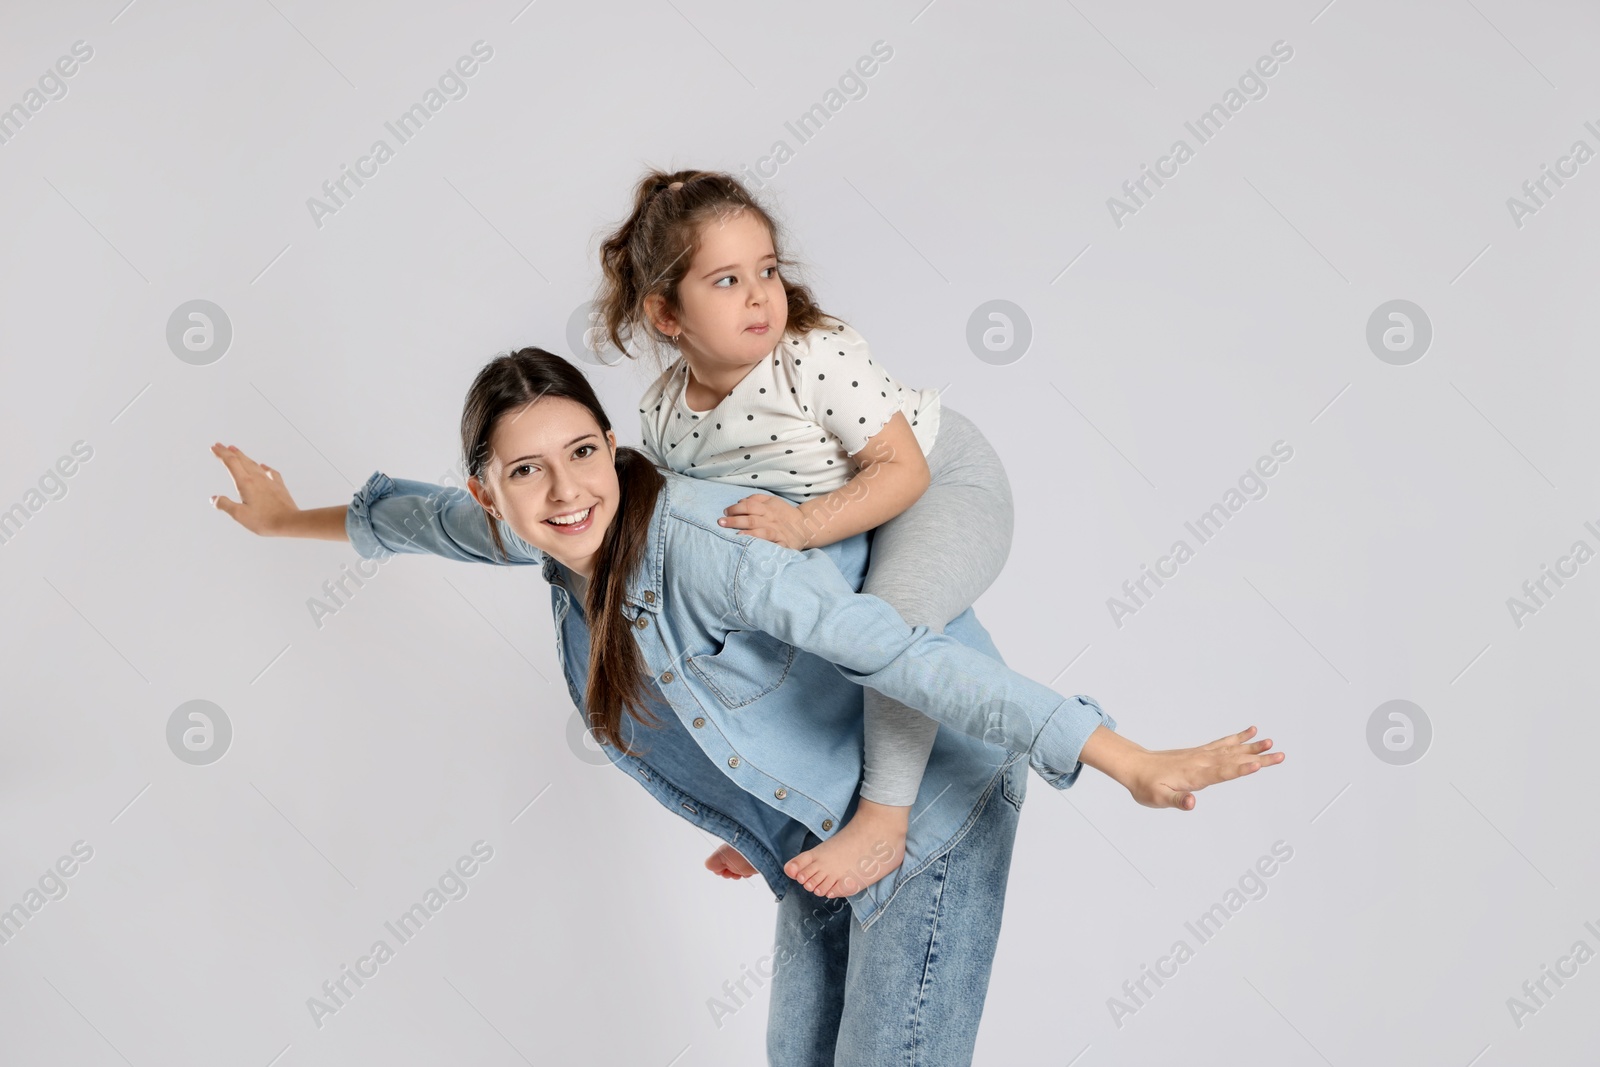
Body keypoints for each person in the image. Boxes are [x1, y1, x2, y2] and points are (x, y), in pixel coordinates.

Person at [207, 347, 1284, 1063]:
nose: (568, 488)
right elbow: (414, 521)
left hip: (932, 820)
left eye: (584, 450)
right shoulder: (527, 527)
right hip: (811, 840)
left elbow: (902, 656)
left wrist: (1119, 753)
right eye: (526, 471)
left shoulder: (714, 545)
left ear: (614, 446)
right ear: (494, 490)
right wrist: (282, 521)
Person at [592, 167, 1016, 898]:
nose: (760, 294)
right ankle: (769, 813)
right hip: (848, 517)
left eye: (767, 269)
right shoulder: (666, 416)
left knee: (892, 619)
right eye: (726, 281)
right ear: (666, 313)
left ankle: (884, 817)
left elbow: (901, 470)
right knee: (753, 629)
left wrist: (803, 524)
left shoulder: (813, 359)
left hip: (936, 481)